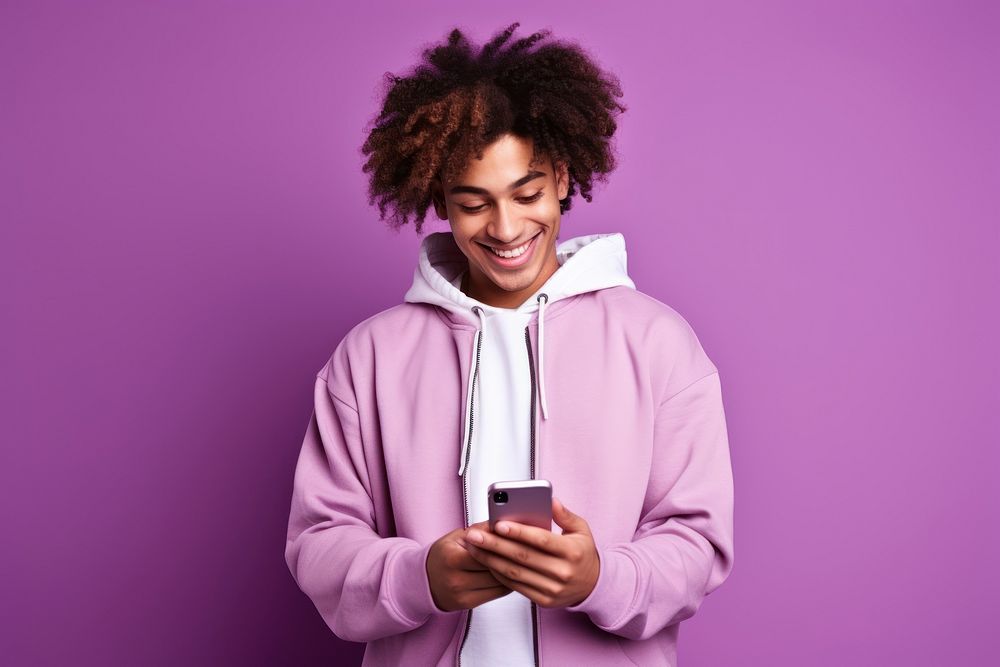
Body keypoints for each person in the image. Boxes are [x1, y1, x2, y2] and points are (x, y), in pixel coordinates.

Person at [284, 22, 735, 666]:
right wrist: (421, 579)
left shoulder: (659, 344)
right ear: (439, 199)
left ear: (562, 178)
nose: (505, 227)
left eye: (526, 193)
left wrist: (600, 579)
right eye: (473, 204)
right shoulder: (369, 358)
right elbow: (320, 540)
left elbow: (696, 540)